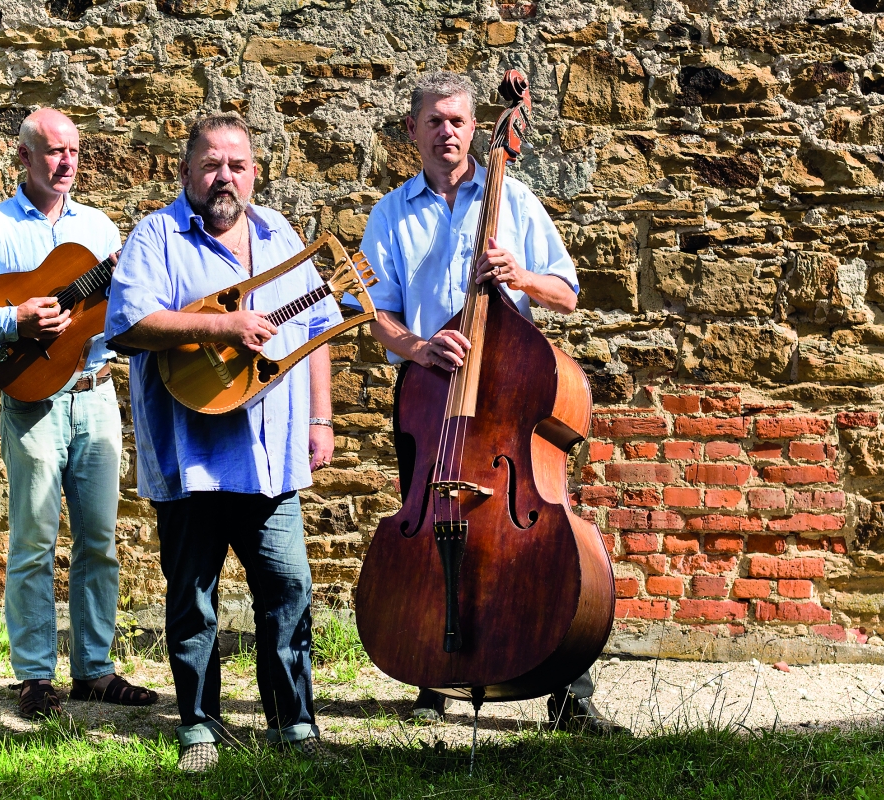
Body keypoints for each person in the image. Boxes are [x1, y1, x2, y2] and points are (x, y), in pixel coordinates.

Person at [356, 71, 624, 734]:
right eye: (434, 121)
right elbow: (371, 312)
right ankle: (430, 674)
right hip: (430, 399)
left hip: (506, 397)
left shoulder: (516, 198)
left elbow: (566, 291)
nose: (447, 131)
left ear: (476, 128)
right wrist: (417, 349)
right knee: (432, 526)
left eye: (458, 120)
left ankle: (568, 692)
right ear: (412, 131)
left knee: (534, 542)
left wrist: (518, 274)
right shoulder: (390, 212)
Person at [105, 113, 341, 773]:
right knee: (193, 598)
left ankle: (294, 725)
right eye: (211, 164)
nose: (224, 177)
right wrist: (222, 328)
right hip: (191, 456)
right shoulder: (156, 235)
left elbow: (320, 327)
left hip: (272, 457)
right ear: (186, 172)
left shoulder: (281, 236)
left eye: (237, 164)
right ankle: (199, 731)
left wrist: (321, 421)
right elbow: (131, 322)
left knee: (288, 588)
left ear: (255, 172)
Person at [0, 108, 157, 719]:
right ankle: (33, 675)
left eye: (73, 151)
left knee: (100, 542)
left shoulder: (103, 231)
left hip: (97, 394)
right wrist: (12, 319)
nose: (65, 163)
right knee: (33, 541)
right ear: (23, 157)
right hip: (32, 403)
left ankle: (94, 670)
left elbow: (120, 317)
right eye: (52, 152)